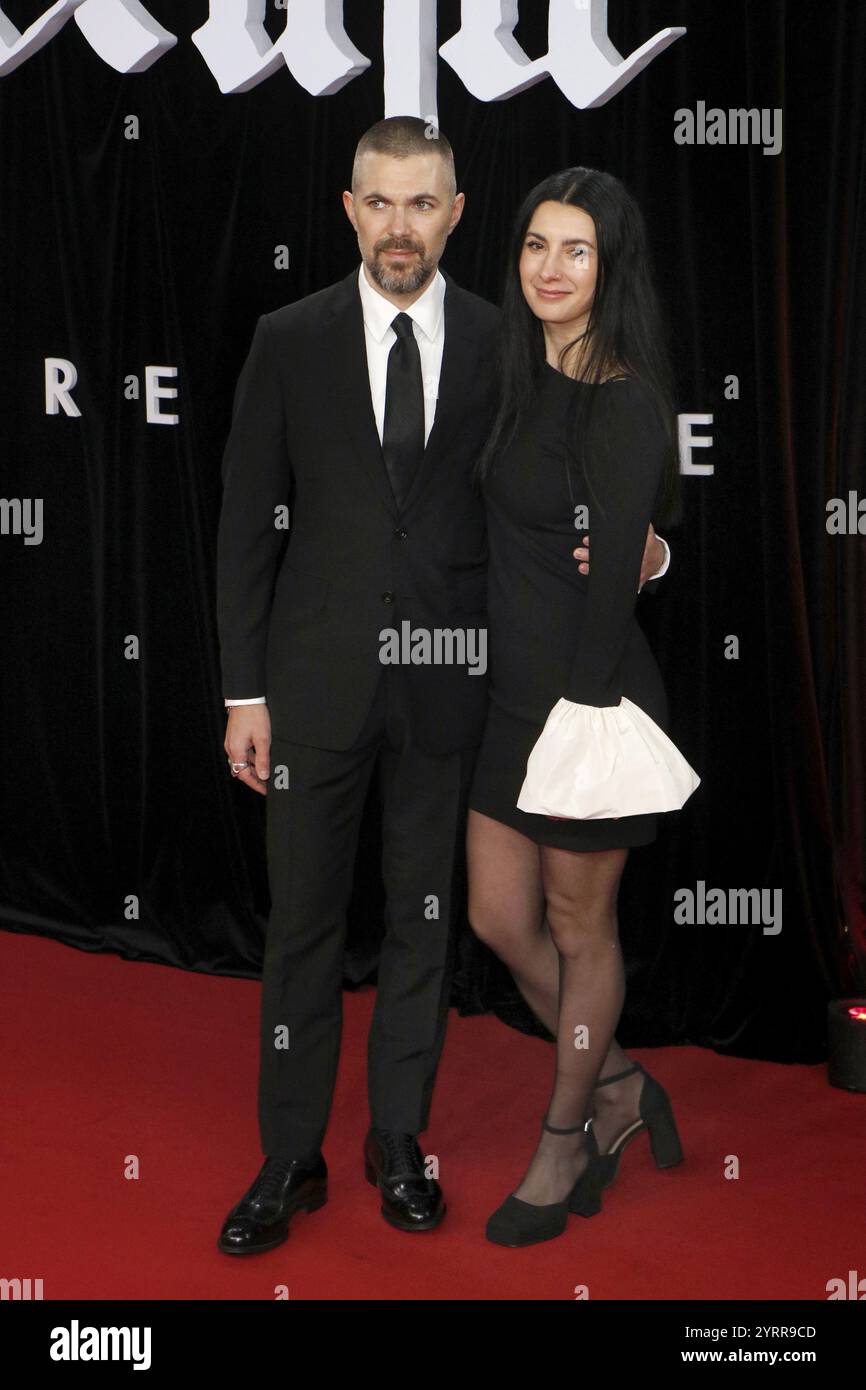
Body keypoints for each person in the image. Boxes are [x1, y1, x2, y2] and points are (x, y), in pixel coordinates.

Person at [215, 120, 670, 1254]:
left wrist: (652, 548)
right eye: (380, 203)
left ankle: (398, 1140)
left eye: (423, 204)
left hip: (452, 694)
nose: (400, 226)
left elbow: (602, 455)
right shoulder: (287, 337)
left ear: (456, 214)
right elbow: (240, 528)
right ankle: (288, 1156)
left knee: (430, 930)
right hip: (312, 689)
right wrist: (241, 693)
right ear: (349, 208)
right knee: (302, 929)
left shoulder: (501, 344)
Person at [466, 168, 700, 1248]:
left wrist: (580, 711)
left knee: (576, 924)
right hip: (507, 702)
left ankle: (566, 1135)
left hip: (585, 700)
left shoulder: (622, 401)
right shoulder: (514, 372)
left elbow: (611, 582)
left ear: (610, 270)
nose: (549, 270)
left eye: (575, 252)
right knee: (496, 919)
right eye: (533, 247)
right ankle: (616, 1081)